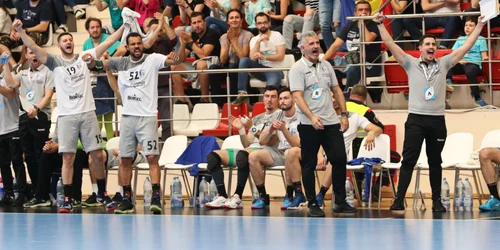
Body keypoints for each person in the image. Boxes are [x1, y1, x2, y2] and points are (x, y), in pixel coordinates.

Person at [373, 13, 486, 211]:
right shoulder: (410, 63)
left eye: (433, 44)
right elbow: (391, 44)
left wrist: (480, 25)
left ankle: (436, 202)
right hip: (416, 120)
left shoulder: (444, 63)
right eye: (427, 44)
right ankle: (399, 200)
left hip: (436, 121)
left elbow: (466, 46)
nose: (431, 47)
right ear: (420, 48)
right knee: (409, 160)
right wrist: (381, 24)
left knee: (436, 162)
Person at [13, 19, 127, 213]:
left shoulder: (84, 57)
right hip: (67, 116)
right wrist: (20, 31)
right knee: (68, 157)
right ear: (59, 45)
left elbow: (108, 43)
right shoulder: (53, 62)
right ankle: (66, 198)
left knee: (97, 156)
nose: (68, 42)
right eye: (64, 40)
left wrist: (126, 26)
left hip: (87, 113)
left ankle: (102, 195)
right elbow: (31, 46)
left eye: (70, 40)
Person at [86, 32, 181, 214]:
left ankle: (155, 196)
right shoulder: (120, 62)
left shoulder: (152, 59)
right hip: (128, 118)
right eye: (133, 44)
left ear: (142, 45)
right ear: (127, 47)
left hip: (147, 118)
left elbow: (173, 62)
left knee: (152, 157)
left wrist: (178, 50)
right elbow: (96, 65)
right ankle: (127, 198)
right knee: (124, 159)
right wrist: (89, 59)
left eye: (139, 43)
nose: (136, 46)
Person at [289, 31, 354, 217]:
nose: (316, 46)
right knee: (309, 163)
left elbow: (337, 90)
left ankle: (340, 201)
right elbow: (297, 96)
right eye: (311, 43)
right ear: (302, 48)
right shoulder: (297, 68)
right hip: (309, 124)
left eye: (317, 43)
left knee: (340, 159)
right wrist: (311, 117)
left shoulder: (326, 65)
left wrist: (344, 114)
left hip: (331, 121)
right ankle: (312, 203)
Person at [204, 86, 280, 209]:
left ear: (278, 99)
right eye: (267, 96)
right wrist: (241, 130)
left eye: (273, 96)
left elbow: (268, 141)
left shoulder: (280, 115)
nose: (269, 99)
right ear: (263, 98)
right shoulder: (257, 118)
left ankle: (238, 196)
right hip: (250, 149)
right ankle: (222, 196)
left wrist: (252, 128)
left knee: (243, 155)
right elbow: (247, 144)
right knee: (213, 156)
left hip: (267, 151)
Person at [3, 47, 54, 206]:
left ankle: (45, 193)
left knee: (41, 156)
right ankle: (37, 194)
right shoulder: (23, 73)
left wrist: (37, 108)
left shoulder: (48, 71)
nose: (34, 55)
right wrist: (5, 63)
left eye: (36, 53)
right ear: (26, 56)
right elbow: (11, 84)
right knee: (29, 157)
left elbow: (48, 94)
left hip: (40, 116)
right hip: (24, 118)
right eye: (30, 53)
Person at [315, 95, 383, 207]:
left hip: (341, 155)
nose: (333, 100)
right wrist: (319, 155)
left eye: (335, 97)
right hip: (322, 152)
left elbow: (378, 128)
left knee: (336, 159)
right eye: (330, 97)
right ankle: (295, 195)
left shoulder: (355, 117)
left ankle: (321, 194)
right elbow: (318, 139)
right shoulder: (323, 117)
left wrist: (371, 133)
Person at [249, 87, 302, 209]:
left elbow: (297, 144)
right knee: (253, 156)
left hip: (299, 152)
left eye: (286, 98)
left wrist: (283, 129)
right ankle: (262, 196)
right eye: (281, 99)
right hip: (280, 152)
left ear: (293, 100)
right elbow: (262, 141)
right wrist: (271, 130)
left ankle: (289, 195)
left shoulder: (300, 116)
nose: (283, 101)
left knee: (290, 152)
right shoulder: (277, 116)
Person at [322, 1, 382, 97]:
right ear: (355, 13)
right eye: (360, 10)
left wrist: (362, 22)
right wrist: (322, 61)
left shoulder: (374, 26)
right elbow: (335, 46)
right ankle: (327, 95)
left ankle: (346, 98)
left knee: (354, 68)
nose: (363, 12)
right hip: (350, 62)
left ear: (370, 13)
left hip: (370, 66)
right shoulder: (350, 25)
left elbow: (367, 40)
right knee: (326, 66)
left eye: (366, 10)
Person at [233, 12, 285, 104]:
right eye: (260, 23)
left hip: (275, 70)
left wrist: (264, 56)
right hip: (261, 69)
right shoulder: (254, 39)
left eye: (265, 22)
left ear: (269, 23)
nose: (263, 25)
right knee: (244, 60)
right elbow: (252, 58)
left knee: (270, 92)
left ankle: (269, 107)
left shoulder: (277, 35)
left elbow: (281, 56)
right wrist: (259, 41)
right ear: (256, 25)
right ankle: (242, 93)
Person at [171, 12, 221, 105]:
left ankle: (205, 99)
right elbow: (180, 59)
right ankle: (182, 100)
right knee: (174, 67)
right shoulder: (193, 35)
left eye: (199, 22)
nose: (197, 25)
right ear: (191, 25)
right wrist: (183, 43)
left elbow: (204, 55)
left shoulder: (211, 33)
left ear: (204, 22)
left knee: (201, 63)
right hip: (199, 64)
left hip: (214, 63)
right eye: (194, 23)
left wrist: (190, 41)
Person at [208, 9, 253, 107]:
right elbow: (222, 60)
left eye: (237, 17)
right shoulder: (224, 37)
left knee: (233, 66)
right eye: (231, 18)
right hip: (228, 66)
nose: (234, 20)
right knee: (213, 68)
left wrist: (233, 40)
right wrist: (228, 44)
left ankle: (234, 100)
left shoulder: (247, 35)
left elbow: (243, 57)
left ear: (241, 20)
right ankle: (217, 103)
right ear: (228, 21)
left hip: (243, 69)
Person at [0, 59, 27, 206]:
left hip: (13, 126)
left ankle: (21, 193)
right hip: (0, 129)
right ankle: (8, 193)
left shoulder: (9, 77)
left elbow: (10, 94)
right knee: (3, 163)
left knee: (17, 161)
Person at [446, 16, 488, 107]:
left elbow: (484, 56)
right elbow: (453, 54)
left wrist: (486, 59)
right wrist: (460, 60)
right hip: (461, 63)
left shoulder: (481, 39)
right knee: (448, 61)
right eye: (466, 25)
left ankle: (477, 98)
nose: (467, 27)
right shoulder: (460, 39)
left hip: (474, 64)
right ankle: (448, 81)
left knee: (470, 72)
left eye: (471, 25)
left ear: (476, 27)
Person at [0, 0, 52, 70]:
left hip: (38, 33)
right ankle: (14, 66)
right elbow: (15, 21)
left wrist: (24, 31)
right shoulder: (22, 3)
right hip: (21, 32)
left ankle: (20, 64)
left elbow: (43, 27)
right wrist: (12, 31)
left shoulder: (45, 6)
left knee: (27, 41)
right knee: (1, 42)